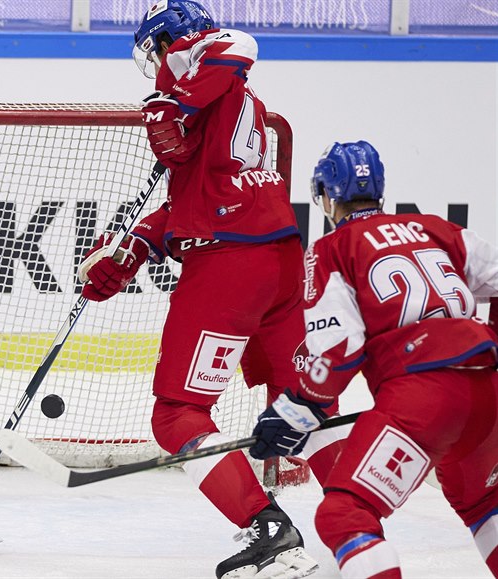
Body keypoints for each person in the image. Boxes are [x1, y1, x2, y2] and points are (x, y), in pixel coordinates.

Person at [79, 2, 339, 577]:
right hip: (276, 257)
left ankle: (266, 527)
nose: (156, 65)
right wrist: (138, 244)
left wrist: (176, 92)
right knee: (299, 400)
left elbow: (238, 42)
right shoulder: (232, 97)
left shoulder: (195, 64)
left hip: (230, 268)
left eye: (157, 50)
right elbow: (200, 193)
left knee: (176, 414)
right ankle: (359, 517)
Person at [248, 141, 498, 577]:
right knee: (484, 504)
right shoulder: (437, 229)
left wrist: (294, 411)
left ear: (327, 195)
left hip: (423, 397)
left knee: (344, 515)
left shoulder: (332, 250)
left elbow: (340, 348)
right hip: (488, 386)